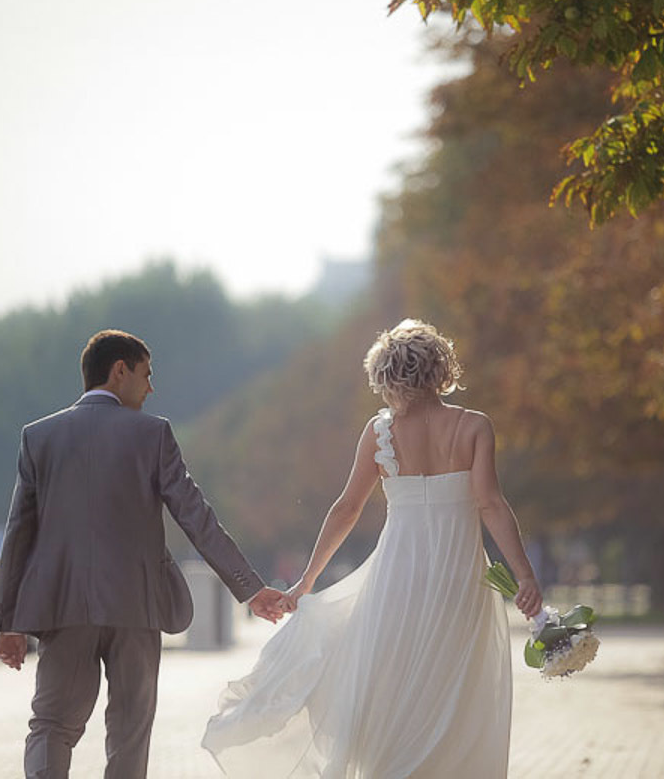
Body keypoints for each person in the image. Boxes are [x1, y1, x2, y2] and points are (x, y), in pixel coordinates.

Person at [202, 319, 542, 778]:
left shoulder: (379, 433)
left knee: (395, 687)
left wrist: (307, 581)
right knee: (452, 689)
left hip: (397, 578)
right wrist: (523, 575)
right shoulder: (474, 427)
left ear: (386, 376)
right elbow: (491, 505)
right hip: (459, 580)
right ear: (440, 367)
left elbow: (346, 510)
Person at [0, 329, 287, 779]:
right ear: (119, 371)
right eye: (146, 375)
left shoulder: (39, 437)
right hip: (137, 605)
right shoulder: (152, 434)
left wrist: (9, 623)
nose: (151, 388)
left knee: (52, 725)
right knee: (130, 731)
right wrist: (248, 589)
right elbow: (196, 517)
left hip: (61, 608)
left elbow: (18, 534)